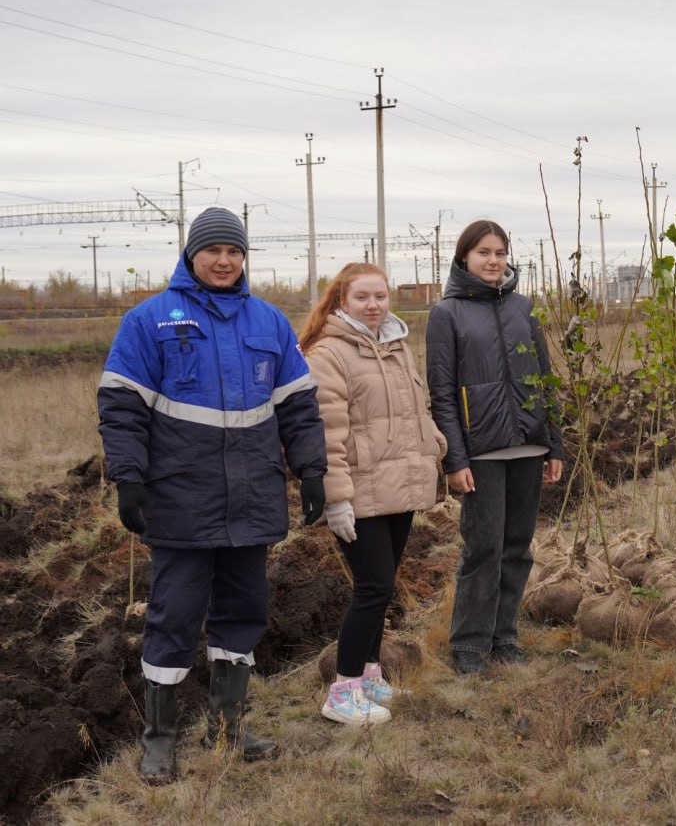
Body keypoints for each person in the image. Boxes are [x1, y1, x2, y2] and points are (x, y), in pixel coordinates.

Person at [97, 207, 327, 782]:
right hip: (181, 500)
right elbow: (121, 410)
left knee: (243, 615)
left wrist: (312, 470)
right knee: (173, 618)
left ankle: (228, 728)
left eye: (234, 251)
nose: (224, 261)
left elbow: (299, 408)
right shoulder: (150, 320)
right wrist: (128, 478)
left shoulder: (270, 323)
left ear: (244, 257)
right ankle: (160, 740)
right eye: (213, 251)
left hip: (252, 502)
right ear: (191, 255)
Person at [300, 262, 447, 724]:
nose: (373, 305)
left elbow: (414, 414)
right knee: (372, 587)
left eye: (380, 297)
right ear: (341, 300)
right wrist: (336, 497)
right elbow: (327, 433)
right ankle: (341, 692)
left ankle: (368, 678)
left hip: (398, 486)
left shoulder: (397, 346)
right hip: (359, 491)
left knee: (382, 590)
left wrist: (435, 449)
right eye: (362, 297)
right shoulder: (328, 353)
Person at [425, 220, 563, 675]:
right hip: (480, 453)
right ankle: (469, 643)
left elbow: (546, 380)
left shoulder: (525, 309)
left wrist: (554, 446)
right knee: (482, 547)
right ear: (464, 257)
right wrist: (455, 459)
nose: (492, 260)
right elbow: (442, 394)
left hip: (528, 446)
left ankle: (505, 636)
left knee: (517, 547)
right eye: (483, 252)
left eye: (500, 252)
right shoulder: (447, 314)